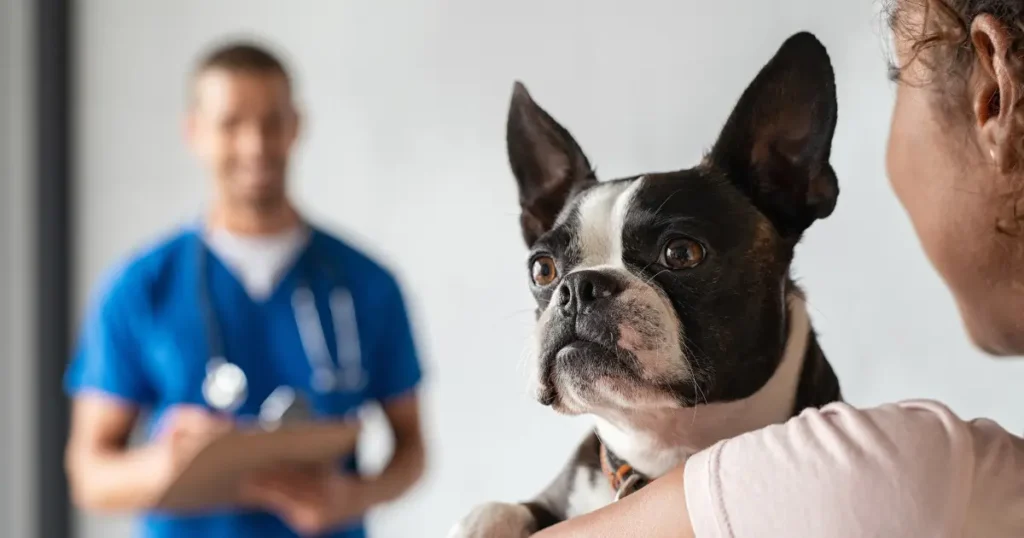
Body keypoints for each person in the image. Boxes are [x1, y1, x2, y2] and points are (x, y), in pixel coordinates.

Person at [534, 1, 1024, 537]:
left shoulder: (878, 472)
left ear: (993, 97)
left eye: (679, 254)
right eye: (546, 272)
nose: (573, 294)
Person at [63, 41, 426, 538]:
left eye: (272, 122)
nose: (255, 145)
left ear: (296, 126)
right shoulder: (141, 288)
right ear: (194, 132)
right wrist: (167, 464)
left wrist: (353, 497)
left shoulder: (366, 283)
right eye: (231, 124)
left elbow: (413, 449)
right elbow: (89, 476)